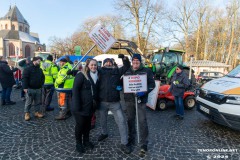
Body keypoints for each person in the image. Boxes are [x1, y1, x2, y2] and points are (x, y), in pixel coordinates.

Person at [97, 54, 131, 154]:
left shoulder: (117, 70)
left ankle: (124, 143)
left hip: (115, 103)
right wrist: (75, 72)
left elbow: (126, 66)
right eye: (106, 62)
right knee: (103, 120)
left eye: (110, 62)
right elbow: (87, 70)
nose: (108, 63)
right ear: (103, 64)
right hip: (102, 102)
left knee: (121, 121)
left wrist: (124, 59)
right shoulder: (99, 71)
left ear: (112, 63)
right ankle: (104, 133)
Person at [123, 54, 155, 157]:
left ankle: (144, 143)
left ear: (140, 62)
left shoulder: (147, 71)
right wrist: (120, 85)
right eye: (134, 61)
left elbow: (152, 84)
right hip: (129, 100)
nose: (135, 63)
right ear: (132, 61)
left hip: (140, 100)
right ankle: (131, 139)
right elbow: (123, 81)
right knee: (130, 120)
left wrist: (143, 92)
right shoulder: (127, 70)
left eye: (137, 61)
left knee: (142, 122)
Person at [72, 59, 99, 153]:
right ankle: (78, 143)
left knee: (88, 125)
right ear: (87, 65)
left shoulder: (96, 76)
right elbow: (75, 90)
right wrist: (76, 106)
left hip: (90, 107)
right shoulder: (81, 75)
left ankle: (86, 141)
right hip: (80, 107)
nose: (94, 67)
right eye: (92, 65)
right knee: (80, 126)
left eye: (95, 65)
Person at [22, 57, 45, 121]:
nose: (39, 62)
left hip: (38, 88)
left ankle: (37, 112)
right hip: (30, 88)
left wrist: (41, 84)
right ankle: (27, 113)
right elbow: (24, 78)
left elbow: (43, 77)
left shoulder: (40, 69)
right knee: (29, 102)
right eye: (38, 61)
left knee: (38, 102)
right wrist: (25, 87)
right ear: (34, 61)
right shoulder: (27, 69)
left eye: (40, 61)